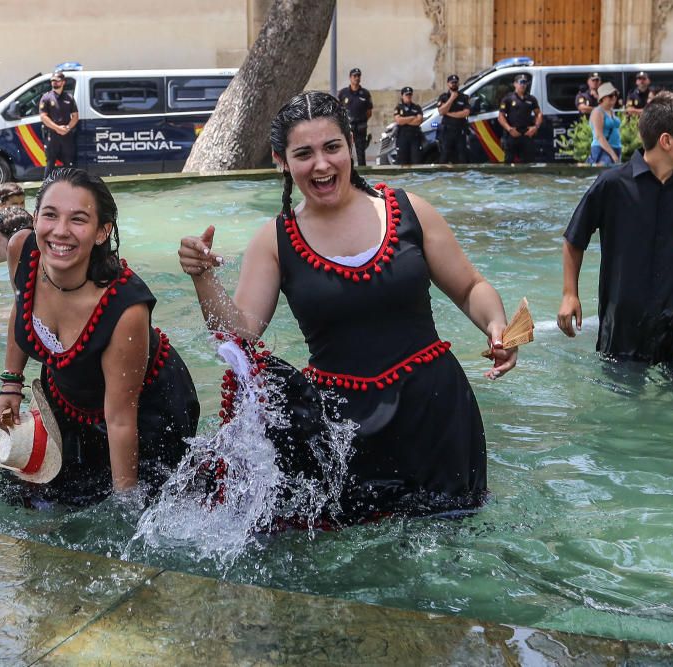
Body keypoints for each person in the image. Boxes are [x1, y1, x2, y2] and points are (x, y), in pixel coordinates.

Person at [178, 91, 517, 519]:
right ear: (281, 160)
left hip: (436, 412)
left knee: (451, 549)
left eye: (332, 147)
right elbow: (241, 332)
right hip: (341, 429)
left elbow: (470, 287)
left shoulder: (410, 211)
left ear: (351, 146)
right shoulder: (275, 240)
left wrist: (496, 324)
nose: (321, 164)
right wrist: (202, 276)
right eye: (304, 153)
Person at [0, 167, 199, 506]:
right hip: (69, 400)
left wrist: (124, 506)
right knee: (22, 498)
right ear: (35, 217)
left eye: (78, 220)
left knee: (122, 506)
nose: (60, 232)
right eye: (50, 215)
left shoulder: (125, 308)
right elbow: (22, 308)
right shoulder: (23, 249)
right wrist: (11, 384)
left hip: (146, 412)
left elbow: (119, 419)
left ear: (102, 232)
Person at [557, 92, 673, 381]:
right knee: (626, 412)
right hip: (626, 328)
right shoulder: (613, 185)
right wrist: (570, 294)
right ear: (667, 141)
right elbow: (574, 239)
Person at [39, 71, 79, 178]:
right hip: (52, 136)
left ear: (63, 82)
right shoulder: (46, 97)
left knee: (69, 163)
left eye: (57, 81)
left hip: (66, 135)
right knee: (50, 163)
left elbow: (75, 116)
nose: (54, 83)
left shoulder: (69, 98)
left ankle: (70, 187)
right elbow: (43, 117)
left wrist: (68, 127)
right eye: (52, 81)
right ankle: (46, 189)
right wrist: (57, 128)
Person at [498, 76, 543, 164]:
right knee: (509, 162)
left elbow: (539, 114)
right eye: (521, 82)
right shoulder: (508, 98)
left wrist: (535, 127)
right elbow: (501, 116)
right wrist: (509, 129)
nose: (523, 85)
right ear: (515, 84)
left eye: (525, 83)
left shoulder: (531, 99)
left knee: (528, 162)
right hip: (512, 134)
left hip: (527, 134)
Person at [337, 67, 374, 166]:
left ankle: (363, 175)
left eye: (358, 76)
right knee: (346, 151)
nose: (357, 78)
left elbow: (369, 112)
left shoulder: (365, 93)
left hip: (361, 127)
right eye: (354, 76)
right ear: (350, 78)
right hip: (347, 127)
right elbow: (338, 110)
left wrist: (361, 120)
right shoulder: (343, 93)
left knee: (361, 152)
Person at [436, 74, 471, 164]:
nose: (454, 84)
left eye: (456, 82)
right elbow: (441, 111)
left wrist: (449, 113)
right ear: (448, 84)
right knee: (444, 156)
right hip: (447, 132)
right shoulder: (443, 97)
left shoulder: (464, 97)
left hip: (460, 132)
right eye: (452, 83)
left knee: (462, 157)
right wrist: (451, 99)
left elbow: (465, 113)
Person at [588, 82, 622, 165]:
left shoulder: (611, 111)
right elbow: (599, 136)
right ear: (602, 98)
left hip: (616, 148)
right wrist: (613, 155)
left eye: (615, 95)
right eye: (610, 96)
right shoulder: (597, 112)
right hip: (602, 150)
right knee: (603, 175)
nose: (614, 97)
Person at [393, 86, 423, 165]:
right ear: (402, 96)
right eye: (406, 95)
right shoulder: (399, 107)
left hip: (415, 137)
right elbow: (399, 121)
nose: (408, 96)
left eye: (410, 95)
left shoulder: (416, 107)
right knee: (403, 161)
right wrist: (412, 117)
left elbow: (419, 121)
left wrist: (405, 120)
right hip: (403, 137)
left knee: (416, 160)